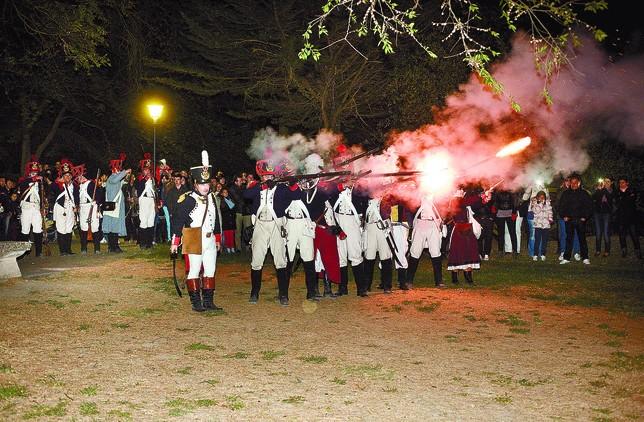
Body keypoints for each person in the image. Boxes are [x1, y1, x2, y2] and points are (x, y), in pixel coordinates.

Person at [171, 151, 223, 312]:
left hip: (209, 239)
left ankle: (208, 302)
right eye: (202, 184)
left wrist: (217, 238)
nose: (206, 187)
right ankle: (196, 303)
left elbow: (215, 219)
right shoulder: (188, 199)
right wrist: (175, 242)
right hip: (193, 237)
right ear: (195, 184)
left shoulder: (212, 198)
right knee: (194, 270)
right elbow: (178, 221)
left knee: (210, 270)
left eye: (207, 184)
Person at [243, 159, 300, 306]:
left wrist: (293, 183)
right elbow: (246, 195)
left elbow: (296, 196)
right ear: (261, 176)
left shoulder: (281, 188)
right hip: (260, 225)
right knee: (256, 260)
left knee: (280, 260)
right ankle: (254, 292)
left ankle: (283, 294)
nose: (268, 177)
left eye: (270, 175)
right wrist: (262, 187)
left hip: (276, 225)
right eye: (265, 175)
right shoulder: (257, 187)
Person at [333, 177, 368, 297]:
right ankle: (342, 287)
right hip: (338, 220)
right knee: (340, 256)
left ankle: (361, 288)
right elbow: (328, 193)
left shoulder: (359, 186)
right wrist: (342, 185)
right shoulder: (335, 184)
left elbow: (366, 199)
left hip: (353, 220)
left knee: (355, 254)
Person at [447, 188, 488, 284]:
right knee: (457, 253)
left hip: (467, 228)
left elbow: (476, 205)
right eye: (460, 190)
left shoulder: (464, 201)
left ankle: (468, 277)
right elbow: (469, 201)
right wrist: (480, 195)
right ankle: (455, 278)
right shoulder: (455, 200)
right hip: (459, 229)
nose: (463, 192)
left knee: (470, 252)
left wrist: (484, 199)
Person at [407, 193, 446, 288]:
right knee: (415, 251)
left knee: (435, 252)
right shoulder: (418, 193)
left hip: (433, 224)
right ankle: (409, 280)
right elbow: (411, 207)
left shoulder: (439, 193)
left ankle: (439, 281)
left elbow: (443, 207)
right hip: (420, 224)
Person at [558, 173, 593, 265]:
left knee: (582, 239)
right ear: (570, 183)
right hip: (569, 220)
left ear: (579, 183)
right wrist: (564, 216)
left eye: (575, 182)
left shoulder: (584, 193)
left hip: (580, 220)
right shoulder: (565, 194)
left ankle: (585, 257)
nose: (573, 184)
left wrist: (585, 217)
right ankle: (566, 258)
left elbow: (589, 206)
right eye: (572, 183)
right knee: (569, 239)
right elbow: (561, 206)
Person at [16, 156, 45, 256]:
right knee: (25, 229)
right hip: (26, 207)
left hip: (36, 207)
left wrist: (42, 207)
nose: (34, 173)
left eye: (36, 172)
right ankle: (24, 252)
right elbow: (23, 185)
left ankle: (39, 252)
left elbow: (42, 195)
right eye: (33, 172)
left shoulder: (40, 182)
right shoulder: (23, 180)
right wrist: (34, 179)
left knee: (38, 229)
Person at [102, 153, 131, 253]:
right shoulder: (112, 178)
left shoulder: (116, 179)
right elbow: (116, 180)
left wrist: (127, 175)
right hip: (113, 205)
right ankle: (113, 246)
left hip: (115, 205)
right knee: (113, 226)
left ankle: (113, 246)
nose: (118, 171)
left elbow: (124, 181)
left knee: (113, 226)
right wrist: (125, 171)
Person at [75, 164, 103, 254]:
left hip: (92, 206)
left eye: (79, 177)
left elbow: (99, 195)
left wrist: (96, 201)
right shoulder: (79, 186)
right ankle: (83, 248)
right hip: (83, 208)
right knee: (83, 227)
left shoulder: (91, 184)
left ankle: (97, 248)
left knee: (95, 227)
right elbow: (77, 198)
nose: (78, 179)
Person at [52, 159, 77, 256]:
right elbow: (52, 189)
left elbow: (76, 196)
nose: (68, 177)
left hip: (70, 208)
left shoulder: (73, 185)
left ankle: (68, 250)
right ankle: (62, 251)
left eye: (69, 175)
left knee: (69, 228)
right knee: (61, 228)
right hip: (60, 208)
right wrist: (58, 182)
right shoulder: (57, 184)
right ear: (62, 176)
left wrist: (76, 206)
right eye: (65, 175)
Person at [614, 176, 641, 259]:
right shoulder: (617, 192)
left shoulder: (632, 190)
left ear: (627, 183)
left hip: (631, 217)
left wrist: (623, 199)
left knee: (634, 235)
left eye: (623, 182)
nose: (621, 184)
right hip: (621, 217)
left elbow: (632, 201)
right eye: (620, 183)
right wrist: (624, 199)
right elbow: (617, 203)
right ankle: (624, 250)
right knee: (622, 235)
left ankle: (638, 250)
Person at [135, 153, 157, 249]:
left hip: (151, 200)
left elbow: (156, 191)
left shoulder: (153, 179)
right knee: (143, 221)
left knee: (151, 221)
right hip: (143, 200)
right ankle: (142, 243)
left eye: (148, 169)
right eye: (145, 169)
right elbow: (138, 188)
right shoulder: (140, 179)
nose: (147, 171)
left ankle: (149, 243)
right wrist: (145, 179)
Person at [557, 177, 581, 261]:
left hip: (574, 217)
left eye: (569, 181)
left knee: (576, 234)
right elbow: (558, 205)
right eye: (566, 181)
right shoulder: (561, 191)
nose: (568, 183)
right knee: (563, 234)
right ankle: (563, 251)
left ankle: (576, 252)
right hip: (563, 217)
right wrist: (563, 215)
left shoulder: (578, 191)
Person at [492, 188, 518, 257]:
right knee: (501, 233)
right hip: (500, 213)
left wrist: (514, 212)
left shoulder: (512, 189)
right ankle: (500, 250)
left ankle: (515, 250)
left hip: (510, 213)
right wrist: (494, 210)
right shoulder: (498, 190)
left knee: (512, 232)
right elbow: (495, 201)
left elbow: (515, 201)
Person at [529, 190, 553, 261]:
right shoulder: (534, 203)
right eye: (540, 197)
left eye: (543, 197)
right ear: (538, 197)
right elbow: (535, 211)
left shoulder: (548, 203)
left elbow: (550, 211)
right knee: (537, 240)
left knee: (544, 241)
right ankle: (535, 254)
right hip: (538, 225)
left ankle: (543, 254)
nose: (542, 199)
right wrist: (539, 204)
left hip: (546, 225)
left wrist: (550, 218)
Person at [592, 178, 613, 257]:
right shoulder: (599, 189)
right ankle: (598, 250)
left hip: (606, 213)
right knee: (598, 232)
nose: (606, 183)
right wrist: (598, 190)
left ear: (611, 183)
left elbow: (610, 198)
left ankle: (607, 250)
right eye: (605, 181)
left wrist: (603, 189)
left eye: (608, 181)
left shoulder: (611, 190)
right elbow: (593, 198)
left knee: (606, 232)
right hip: (597, 213)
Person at [219, 187, 237, 253]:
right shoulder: (221, 200)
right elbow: (223, 209)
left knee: (231, 234)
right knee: (226, 234)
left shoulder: (231, 199)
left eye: (226, 192)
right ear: (221, 194)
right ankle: (228, 247)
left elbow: (234, 207)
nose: (226, 193)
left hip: (231, 219)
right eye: (224, 192)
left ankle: (232, 246)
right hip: (225, 219)